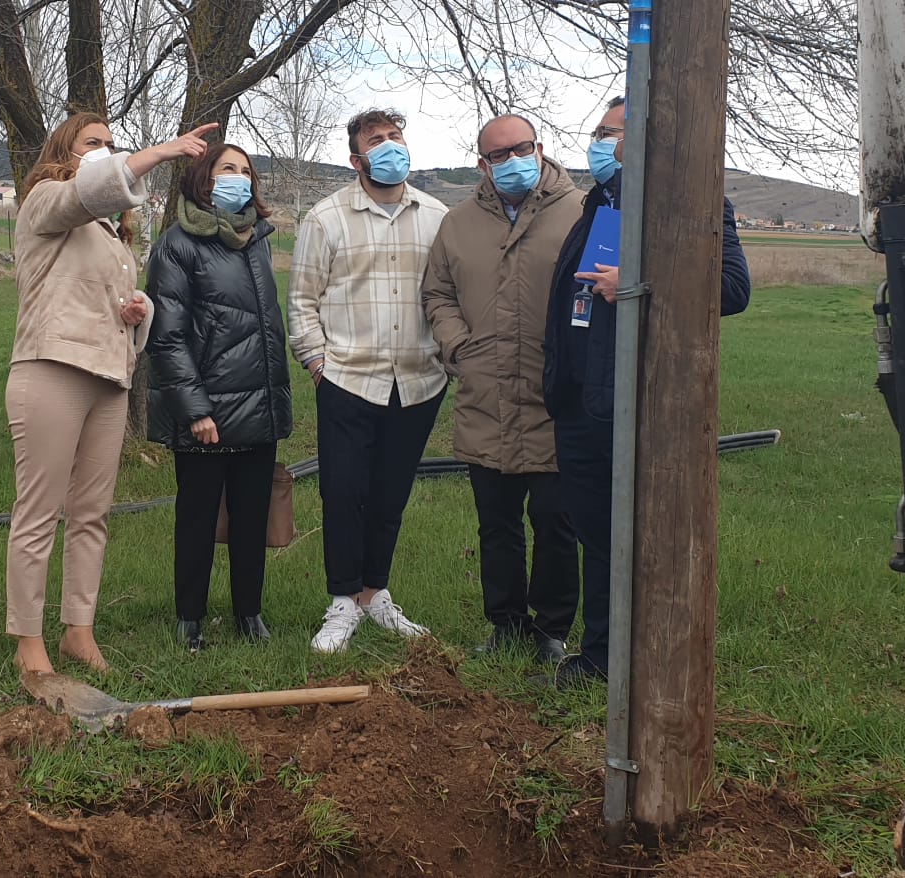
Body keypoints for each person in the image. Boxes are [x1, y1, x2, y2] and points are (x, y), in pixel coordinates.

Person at [541, 96, 752, 688]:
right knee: (596, 534)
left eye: (613, 133)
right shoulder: (596, 206)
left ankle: (657, 659)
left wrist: (635, 285)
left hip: (644, 403)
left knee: (648, 534)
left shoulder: (695, 206)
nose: (602, 143)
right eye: (601, 132)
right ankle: (603, 653)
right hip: (582, 401)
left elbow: (732, 290)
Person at [6, 111, 217, 676]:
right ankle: (29, 643)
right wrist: (160, 152)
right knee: (38, 512)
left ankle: (79, 630)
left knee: (92, 513)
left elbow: (108, 299)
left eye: (110, 144)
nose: (103, 151)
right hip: (51, 369)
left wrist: (136, 310)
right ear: (64, 152)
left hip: (108, 378)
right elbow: (89, 192)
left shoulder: (111, 234)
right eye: (91, 143)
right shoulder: (46, 202)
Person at [421, 113, 582, 666]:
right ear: (482, 164)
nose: (512, 161)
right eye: (499, 155)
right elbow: (436, 293)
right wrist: (459, 347)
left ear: (540, 147)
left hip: (555, 398)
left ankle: (553, 629)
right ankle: (505, 624)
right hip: (486, 397)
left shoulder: (583, 214)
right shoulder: (459, 224)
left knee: (557, 524)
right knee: (497, 525)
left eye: (522, 149)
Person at [289, 108, 449, 654]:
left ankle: (375, 594)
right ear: (356, 158)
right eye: (375, 140)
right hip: (348, 379)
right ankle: (341, 601)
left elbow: (449, 296)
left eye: (394, 136)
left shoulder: (436, 216)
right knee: (342, 492)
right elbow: (303, 300)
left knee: (389, 495)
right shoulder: (325, 218)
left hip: (419, 381)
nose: (388, 146)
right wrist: (318, 364)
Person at [144, 143, 292, 652]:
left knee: (252, 518)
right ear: (203, 179)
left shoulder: (259, 241)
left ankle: (249, 613)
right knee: (198, 520)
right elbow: (168, 336)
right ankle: (191, 619)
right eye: (228, 169)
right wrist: (197, 410)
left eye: (246, 171)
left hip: (258, 408)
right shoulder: (177, 244)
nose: (239, 178)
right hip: (207, 412)